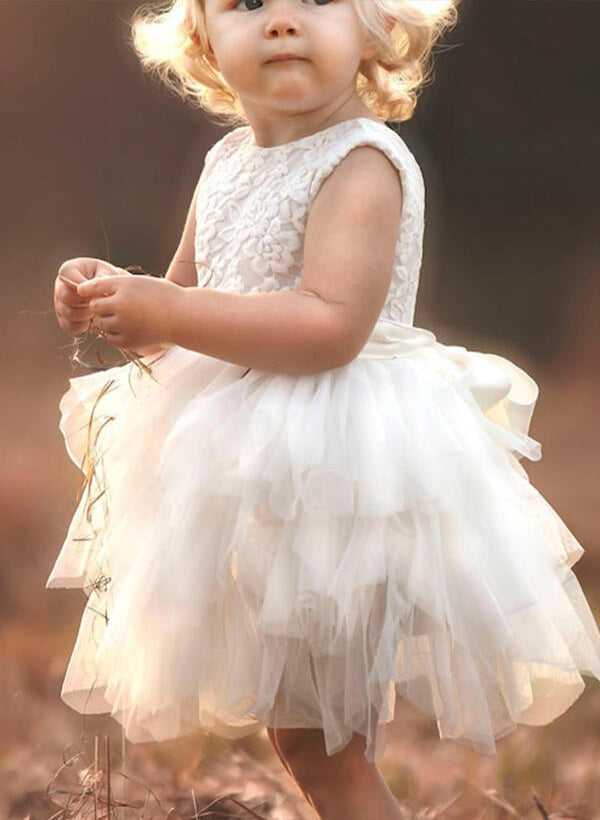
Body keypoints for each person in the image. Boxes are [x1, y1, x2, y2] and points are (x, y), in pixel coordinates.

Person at [48, 0, 600, 817]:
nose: (280, 21)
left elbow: (329, 325)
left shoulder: (362, 161)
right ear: (202, 38)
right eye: (245, 4)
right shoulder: (227, 160)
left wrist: (166, 310)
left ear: (376, 25)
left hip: (339, 471)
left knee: (322, 740)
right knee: (308, 734)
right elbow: (184, 322)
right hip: (252, 469)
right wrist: (117, 303)